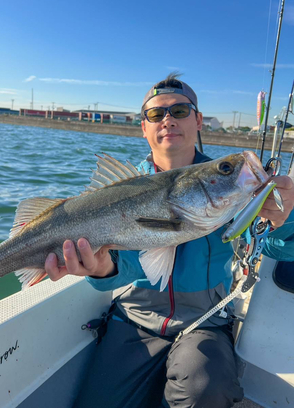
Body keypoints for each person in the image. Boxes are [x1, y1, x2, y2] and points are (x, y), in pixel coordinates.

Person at [45, 74, 294, 408]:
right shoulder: (115, 194)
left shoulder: (229, 185)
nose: (167, 120)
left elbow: (280, 248)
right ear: (143, 128)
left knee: (206, 392)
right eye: (155, 114)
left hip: (205, 322)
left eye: (179, 111)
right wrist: (102, 269)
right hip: (133, 317)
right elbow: (120, 271)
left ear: (198, 120)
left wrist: (283, 217)